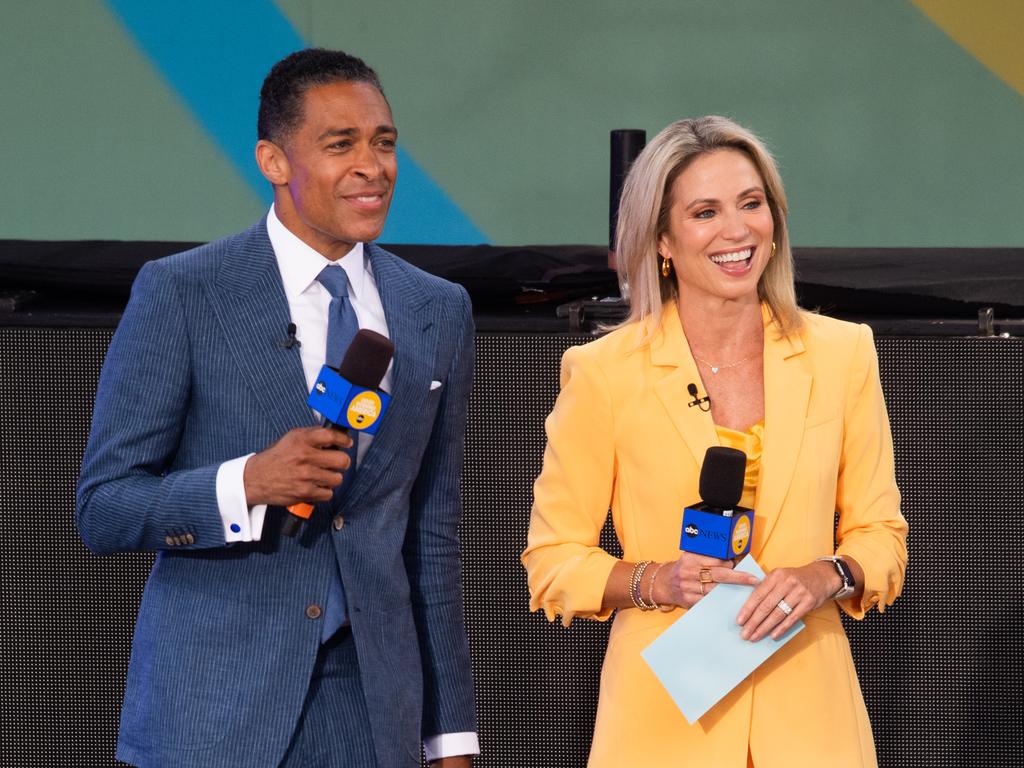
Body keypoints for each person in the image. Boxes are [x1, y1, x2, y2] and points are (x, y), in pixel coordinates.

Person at [77, 48, 477, 768]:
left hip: (375, 716)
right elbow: (105, 507)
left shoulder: (436, 310)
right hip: (213, 716)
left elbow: (432, 539)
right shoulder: (183, 292)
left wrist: (448, 736)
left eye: (384, 142)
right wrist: (247, 484)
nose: (373, 165)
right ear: (274, 160)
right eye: (341, 144)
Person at [522, 116, 908, 767]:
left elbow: (883, 535)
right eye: (705, 212)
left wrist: (827, 575)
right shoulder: (604, 372)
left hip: (815, 729)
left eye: (751, 204)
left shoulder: (843, 354)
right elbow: (552, 561)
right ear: (663, 240)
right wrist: (655, 580)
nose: (737, 230)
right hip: (661, 729)